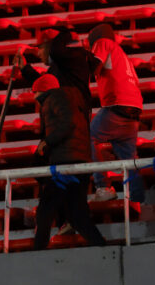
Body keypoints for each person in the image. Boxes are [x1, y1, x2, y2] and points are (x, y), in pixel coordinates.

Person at [31, 73, 106, 250]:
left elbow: (67, 123)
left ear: (40, 91)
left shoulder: (54, 98)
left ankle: (37, 252)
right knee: (77, 214)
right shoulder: (72, 100)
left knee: (45, 210)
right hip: (80, 161)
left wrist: (47, 142)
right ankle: (102, 247)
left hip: (65, 163)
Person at [87, 24, 145, 203]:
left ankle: (103, 186)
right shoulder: (123, 55)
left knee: (87, 136)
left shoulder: (103, 43)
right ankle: (137, 199)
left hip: (117, 105)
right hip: (134, 109)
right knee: (129, 159)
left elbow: (94, 66)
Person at [15, 26, 94, 118]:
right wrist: (24, 68)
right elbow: (44, 84)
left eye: (41, 48)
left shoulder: (69, 62)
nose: (38, 53)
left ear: (51, 47)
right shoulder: (58, 67)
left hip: (72, 122)